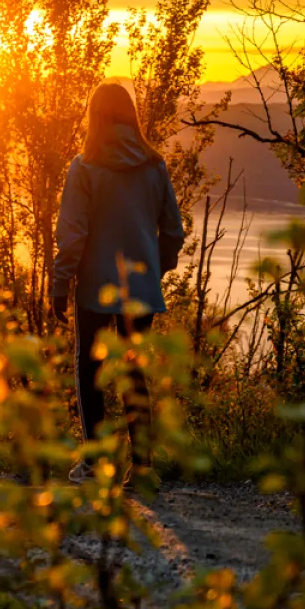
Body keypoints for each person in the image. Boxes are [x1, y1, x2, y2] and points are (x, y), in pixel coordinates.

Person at [51, 82, 185, 485]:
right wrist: (153, 272)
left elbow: (72, 235)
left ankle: (94, 464)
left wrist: (60, 284)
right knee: (133, 374)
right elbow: (174, 231)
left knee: (89, 373)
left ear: (95, 118)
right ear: (131, 116)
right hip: (140, 290)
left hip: (94, 287)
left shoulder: (85, 167)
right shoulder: (155, 165)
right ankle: (142, 466)